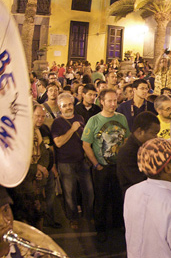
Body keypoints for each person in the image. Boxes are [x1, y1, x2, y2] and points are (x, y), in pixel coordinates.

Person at [82, 89, 130, 239]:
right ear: (101, 102)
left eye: (115, 100)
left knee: (118, 197)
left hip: (118, 167)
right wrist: (96, 164)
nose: (113, 104)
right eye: (109, 101)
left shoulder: (121, 118)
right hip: (101, 167)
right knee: (101, 198)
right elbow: (86, 144)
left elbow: (126, 138)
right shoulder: (94, 120)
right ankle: (101, 229)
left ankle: (117, 224)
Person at [51, 92, 94, 231]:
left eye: (70, 104)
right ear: (60, 107)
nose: (68, 108)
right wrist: (72, 129)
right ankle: (73, 219)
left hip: (82, 161)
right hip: (65, 163)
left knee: (88, 191)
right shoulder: (57, 123)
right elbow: (58, 143)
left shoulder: (80, 118)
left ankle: (88, 216)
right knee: (69, 193)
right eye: (64, 106)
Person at [117, 111, 160, 194]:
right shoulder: (127, 153)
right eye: (153, 134)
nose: (156, 138)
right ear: (140, 131)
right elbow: (141, 180)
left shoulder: (144, 147)